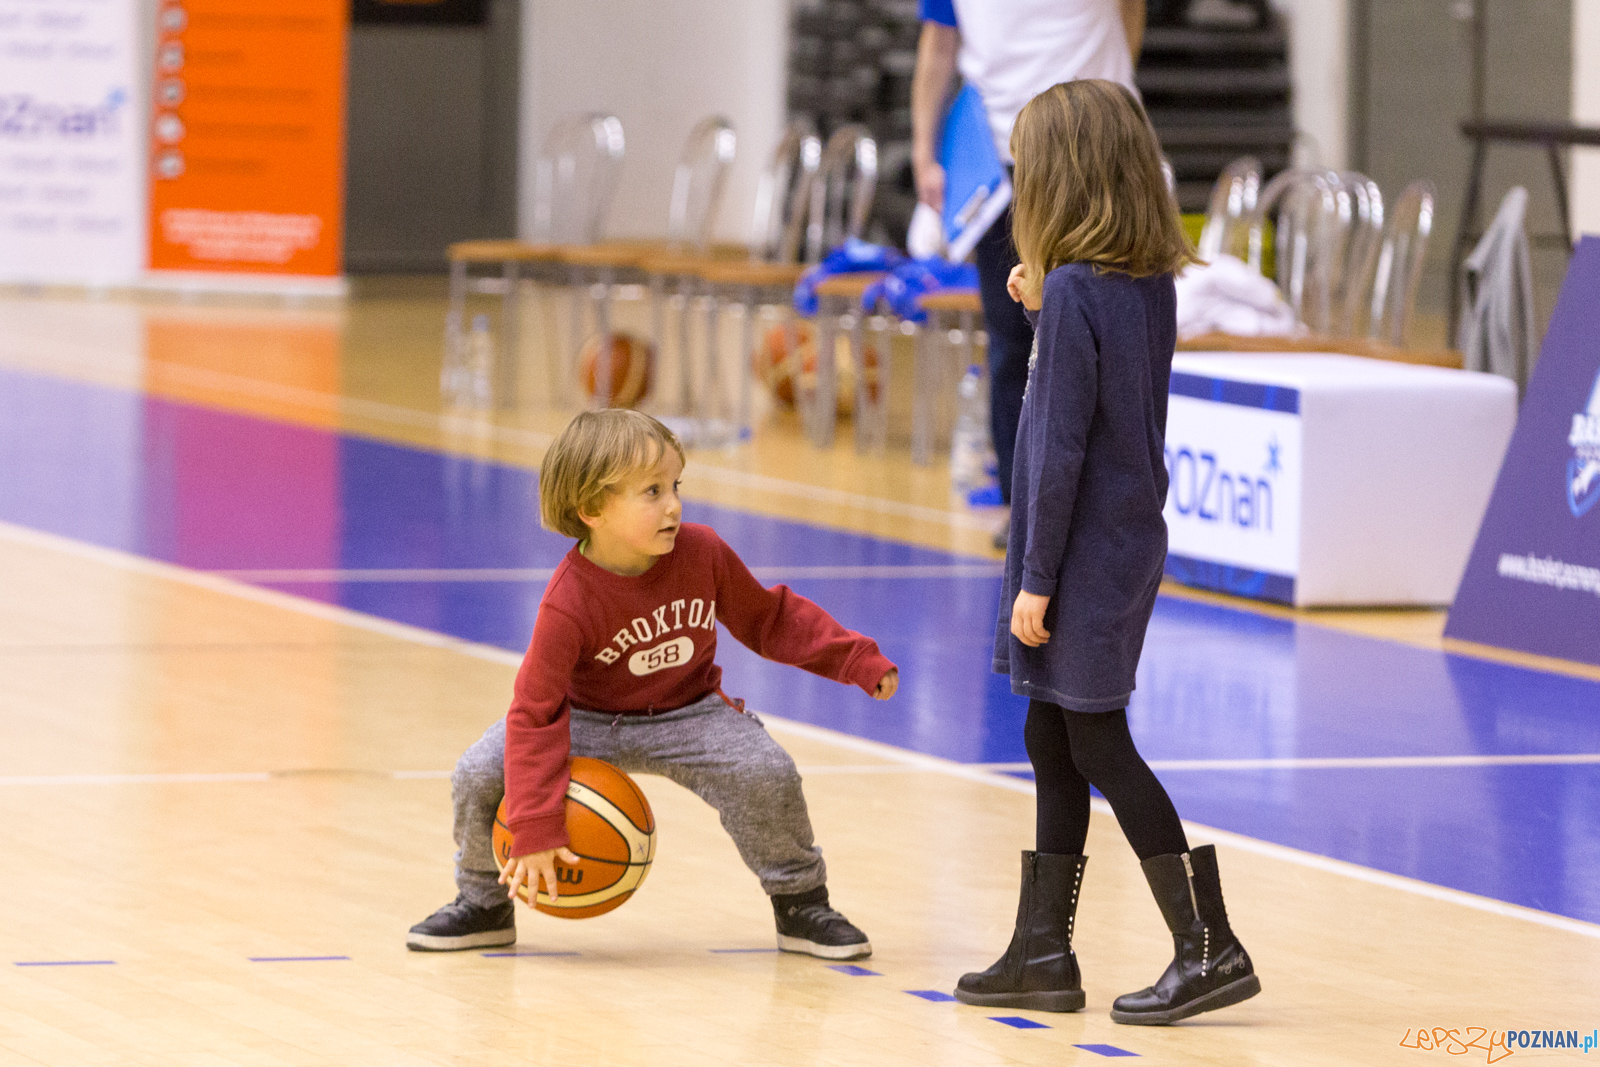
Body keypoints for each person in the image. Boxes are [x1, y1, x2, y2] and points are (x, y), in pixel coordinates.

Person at [953, 80, 1260, 1025]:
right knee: (1052, 735)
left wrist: (1035, 578)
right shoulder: (1133, 283)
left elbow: (1061, 451)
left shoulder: (1082, 291)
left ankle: (1210, 946)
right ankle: (1044, 950)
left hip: (1076, 550)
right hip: (1124, 540)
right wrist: (1046, 308)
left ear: (1060, 177)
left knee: (1094, 738)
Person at [408, 410, 899, 959]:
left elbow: (769, 619)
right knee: (478, 773)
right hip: (584, 719)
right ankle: (483, 903)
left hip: (688, 712)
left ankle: (801, 902)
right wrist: (535, 826)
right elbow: (535, 712)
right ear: (592, 509)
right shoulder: (567, 602)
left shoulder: (703, 552)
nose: (673, 504)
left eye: (674, 486)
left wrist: (855, 659)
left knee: (766, 772)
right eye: (651, 492)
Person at [911, 0, 1145, 550]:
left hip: (1100, 153)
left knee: (1111, 331)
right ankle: (1025, 512)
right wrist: (925, 151)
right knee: (1016, 341)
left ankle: (1111, 510)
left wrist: (1113, 100)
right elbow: (938, 45)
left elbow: (1131, 11)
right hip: (1002, 155)